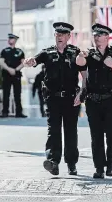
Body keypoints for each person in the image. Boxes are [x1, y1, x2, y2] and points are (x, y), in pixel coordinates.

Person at [23, 22, 86, 176]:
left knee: (71, 131)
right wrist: (30, 61)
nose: (60, 37)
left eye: (63, 34)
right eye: (57, 34)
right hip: (53, 99)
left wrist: (82, 93)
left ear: (68, 37)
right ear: (54, 36)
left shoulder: (75, 52)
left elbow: (85, 75)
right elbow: (35, 60)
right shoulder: (47, 52)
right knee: (54, 130)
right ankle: (53, 162)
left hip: (71, 98)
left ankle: (71, 164)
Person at [76, 23, 112, 179]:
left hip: (111, 100)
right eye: (94, 35)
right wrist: (80, 57)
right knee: (96, 136)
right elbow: (80, 64)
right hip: (93, 101)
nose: (96, 38)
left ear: (107, 37)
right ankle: (99, 167)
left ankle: (110, 162)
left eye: (99, 35)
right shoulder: (89, 54)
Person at [0, 33, 27, 118]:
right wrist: (9, 69)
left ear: (15, 40)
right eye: (9, 38)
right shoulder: (4, 51)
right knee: (6, 94)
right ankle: (5, 112)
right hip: (6, 75)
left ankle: (19, 112)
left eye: (11, 38)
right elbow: (1, 62)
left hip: (16, 75)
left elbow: (23, 63)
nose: (9, 40)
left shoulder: (19, 51)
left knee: (17, 94)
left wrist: (15, 70)